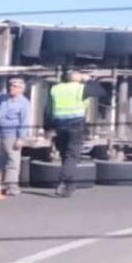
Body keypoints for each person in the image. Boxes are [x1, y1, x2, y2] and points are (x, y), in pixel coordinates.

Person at [46, 69, 109, 198]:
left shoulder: (56, 89)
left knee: (65, 155)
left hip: (59, 125)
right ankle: (63, 182)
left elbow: (48, 109)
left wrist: (47, 128)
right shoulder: (80, 88)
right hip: (75, 125)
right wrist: (89, 79)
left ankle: (70, 185)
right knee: (72, 155)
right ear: (77, 78)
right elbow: (100, 92)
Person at [0, 77, 31, 196]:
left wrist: (21, 138)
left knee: (12, 161)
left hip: (13, 135)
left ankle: (12, 186)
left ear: (21, 89)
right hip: (2, 134)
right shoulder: (4, 99)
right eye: (11, 86)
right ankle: (4, 184)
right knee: (3, 160)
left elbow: (25, 121)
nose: (12, 88)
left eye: (15, 86)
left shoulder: (24, 103)